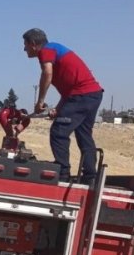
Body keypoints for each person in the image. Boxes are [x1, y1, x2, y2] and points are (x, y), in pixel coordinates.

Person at [22, 28, 104, 184]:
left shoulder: (46, 51)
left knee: (59, 131)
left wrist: (40, 101)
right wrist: (59, 109)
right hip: (91, 94)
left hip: (82, 95)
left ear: (33, 44)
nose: (24, 49)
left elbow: (47, 73)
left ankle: (63, 172)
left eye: (25, 44)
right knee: (84, 135)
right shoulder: (54, 49)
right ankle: (90, 177)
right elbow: (68, 91)